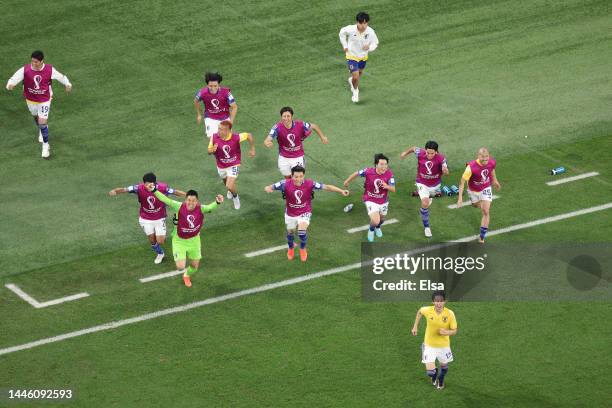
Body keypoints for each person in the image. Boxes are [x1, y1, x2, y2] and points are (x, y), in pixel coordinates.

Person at [264, 165, 349, 262]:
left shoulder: (310, 183)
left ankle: (302, 248)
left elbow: (326, 187)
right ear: (291, 176)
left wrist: (341, 191)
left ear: (304, 176)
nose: (298, 179)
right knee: (290, 233)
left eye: (301, 176)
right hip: (290, 213)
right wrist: (268, 188)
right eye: (296, 177)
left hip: (305, 212)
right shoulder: (284, 183)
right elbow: (270, 187)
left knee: (301, 232)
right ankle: (291, 247)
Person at [147, 186, 224, 287]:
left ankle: (186, 275)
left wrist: (217, 202)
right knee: (180, 267)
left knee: (194, 266)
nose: (190, 203)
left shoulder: (201, 208)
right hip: (179, 241)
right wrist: (154, 190)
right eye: (188, 200)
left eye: (193, 201)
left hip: (194, 241)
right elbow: (165, 199)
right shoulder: (179, 206)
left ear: (197, 201)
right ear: (185, 200)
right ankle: (182, 268)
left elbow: (210, 207)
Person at [5, 50, 72, 158]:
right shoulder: (25, 70)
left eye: (36, 62)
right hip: (30, 99)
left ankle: (45, 146)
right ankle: (42, 130)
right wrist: (10, 85)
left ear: (42, 61)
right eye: (32, 61)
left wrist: (68, 84)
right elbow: (13, 78)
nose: (33, 64)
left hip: (45, 99)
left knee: (42, 121)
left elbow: (61, 77)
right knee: (35, 116)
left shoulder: (49, 69)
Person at [109, 173, 186, 264]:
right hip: (145, 218)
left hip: (159, 218)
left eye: (151, 184)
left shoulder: (163, 187)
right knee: (151, 239)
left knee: (160, 241)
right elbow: (124, 189)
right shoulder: (138, 188)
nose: (148, 186)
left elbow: (175, 192)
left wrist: (189, 196)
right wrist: (115, 191)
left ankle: (163, 237)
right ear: (144, 183)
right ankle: (160, 253)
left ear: (155, 183)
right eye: (147, 184)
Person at [264, 106, 328, 179]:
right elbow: (268, 139)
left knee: (299, 178)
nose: (286, 118)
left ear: (292, 117)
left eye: (288, 116)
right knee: (288, 178)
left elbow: (314, 126)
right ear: (281, 117)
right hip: (284, 157)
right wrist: (267, 142)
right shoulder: (277, 127)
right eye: (284, 116)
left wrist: (322, 137)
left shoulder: (300, 124)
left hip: (298, 157)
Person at [400, 141, 449, 238]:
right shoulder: (420, 153)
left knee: (428, 199)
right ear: (425, 150)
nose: (430, 155)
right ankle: (427, 227)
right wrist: (405, 153)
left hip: (435, 185)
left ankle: (426, 197)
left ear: (436, 152)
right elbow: (414, 148)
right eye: (428, 152)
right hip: (421, 183)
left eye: (432, 153)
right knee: (425, 203)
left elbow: (447, 172)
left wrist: (446, 171)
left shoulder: (441, 159)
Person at [411, 291, 458, 390]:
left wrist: (446, 332)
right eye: (436, 301)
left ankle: (441, 379)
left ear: (445, 302)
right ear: (433, 302)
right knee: (430, 372)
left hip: (444, 346)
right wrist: (415, 326)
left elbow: (454, 331)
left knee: (444, 368)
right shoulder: (427, 310)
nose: (439, 303)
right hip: (429, 345)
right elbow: (420, 311)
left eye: (441, 301)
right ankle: (434, 374)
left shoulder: (450, 314)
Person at [343, 154, 395, 242]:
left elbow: (393, 189)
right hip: (370, 199)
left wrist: (387, 186)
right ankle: (371, 230)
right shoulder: (368, 171)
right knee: (375, 220)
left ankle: (378, 228)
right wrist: (347, 181)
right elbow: (357, 173)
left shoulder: (389, 174)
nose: (384, 167)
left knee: (381, 220)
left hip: (383, 201)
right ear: (376, 165)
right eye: (381, 164)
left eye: (386, 164)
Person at [456, 147, 501, 243]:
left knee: (485, 211)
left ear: (489, 156)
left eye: (487, 156)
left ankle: (482, 236)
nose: (485, 159)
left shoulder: (492, 162)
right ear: (478, 156)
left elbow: (492, 170)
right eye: (482, 157)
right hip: (473, 190)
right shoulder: (471, 167)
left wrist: (495, 180)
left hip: (486, 188)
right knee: (475, 205)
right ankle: (479, 202)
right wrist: (460, 198)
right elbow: (462, 183)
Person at [208, 120, 255, 210]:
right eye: (219, 128)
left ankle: (235, 197)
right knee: (225, 182)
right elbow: (209, 150)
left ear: (228, 131)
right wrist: (212, 150)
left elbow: (249, 135)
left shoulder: (236, 137)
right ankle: (230, 191)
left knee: (229, 185)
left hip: (233, 164)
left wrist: (252, 148)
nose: (219, 131)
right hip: (221, 165)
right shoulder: (214, 137)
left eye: (221, 129)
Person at [339, 12, 379, 103]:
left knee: (359, 74)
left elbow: (375, 43)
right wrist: (345, 45)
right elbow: (341, 33)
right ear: (357, 22)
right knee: (356, 76)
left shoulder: (371, 32)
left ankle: (351, 81)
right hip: (351, 55)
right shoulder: (350, 29)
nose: (363, 25)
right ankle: (355, 91)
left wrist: (369, 48)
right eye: (361, 23)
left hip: (363, 56)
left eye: (365, 23)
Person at [194, 72, 237, 138]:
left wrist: (230, 122)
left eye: (215, 86)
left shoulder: (226, 93)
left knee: (226, 140)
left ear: (219, 84)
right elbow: (196, 101)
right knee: (213, 139)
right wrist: (199, 114)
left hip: (224, 118)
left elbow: (234, 107)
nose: (213, 88)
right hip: (210, 118)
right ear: (207, 85)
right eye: (210, 86)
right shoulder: (202, 93)